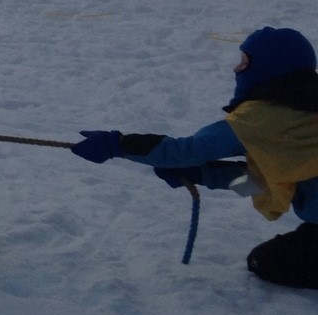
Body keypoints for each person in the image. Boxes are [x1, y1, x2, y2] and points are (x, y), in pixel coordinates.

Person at [71, 26, 318, 289]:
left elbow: (185, 151)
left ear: (269, 69)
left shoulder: (258, 121)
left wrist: (116, 145)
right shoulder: (304, 112)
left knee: (265, 262)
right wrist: (202, 174)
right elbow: (264, 181)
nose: (236, 69)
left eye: (245, 62)